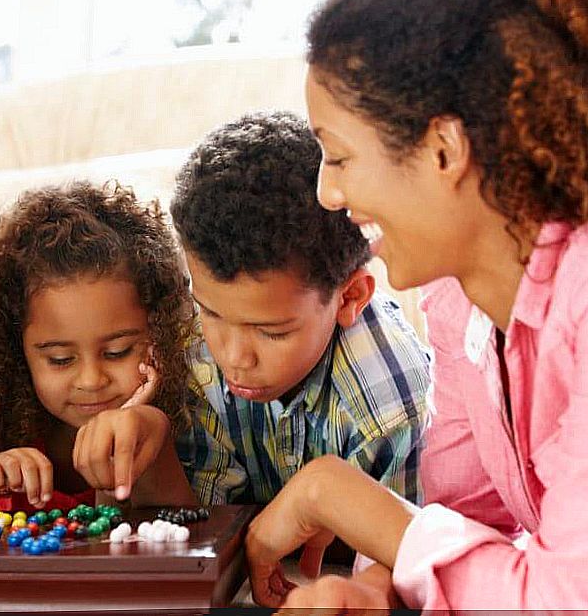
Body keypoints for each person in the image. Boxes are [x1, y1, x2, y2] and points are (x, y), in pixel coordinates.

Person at [243, 0, 588, 612]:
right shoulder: (460, 295)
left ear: (444, 149)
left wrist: (336, 493)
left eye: (340, 157)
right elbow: (464, 519)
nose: (327, 193)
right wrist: (372, 590)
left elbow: (578, 601)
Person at [170, 111, 431, 546]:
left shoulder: (389, 405)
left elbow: (401, 562)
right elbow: (202, 530)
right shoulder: (190, 354)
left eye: (272, 333)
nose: (234, 357)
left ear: (349, 298)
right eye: (210, 314)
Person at [0, 181, 197, 517]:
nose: (90, 380)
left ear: (160, 333)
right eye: (60, 359)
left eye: (117, 352)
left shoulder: (163, 432)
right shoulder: (6, 429)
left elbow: (176, 542)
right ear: (16, 353)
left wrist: (133, 438)